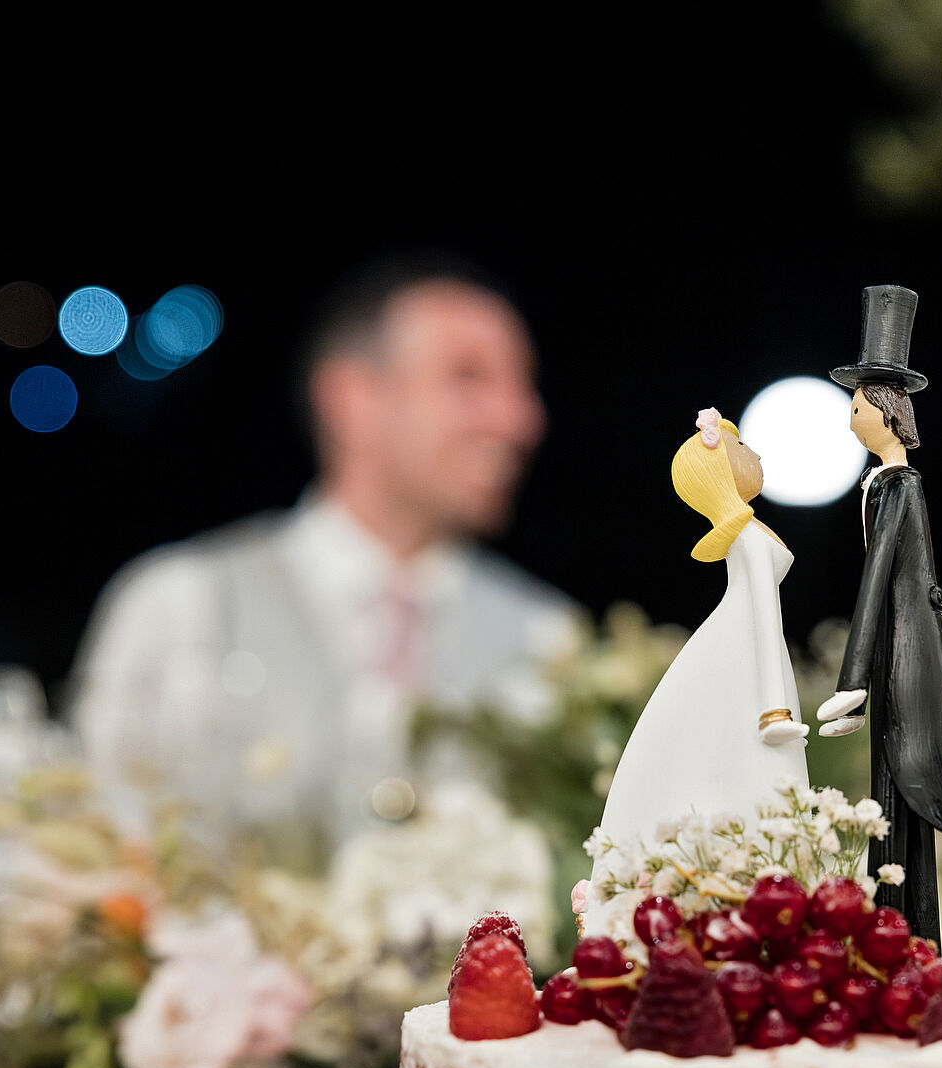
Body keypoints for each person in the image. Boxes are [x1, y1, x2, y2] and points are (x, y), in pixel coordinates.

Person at [72, 252, 578, 837]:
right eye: (469, 377)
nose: (519, 419)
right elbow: (95, 852)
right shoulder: (180, 604)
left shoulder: (550, 641)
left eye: (523, 385)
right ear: (352, 398)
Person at [818, 287, 942, 949]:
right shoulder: (883, 483)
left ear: (883, 412)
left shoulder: (900, 487)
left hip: (906, 661)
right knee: (888, 785)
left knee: (901, 782)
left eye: (856, 406)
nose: (849, 418)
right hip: (898, 654)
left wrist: (855, 679)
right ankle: (890, 932)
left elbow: (878, 584)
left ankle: (906, 935)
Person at [595, 409, 807, 854]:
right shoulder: (748, 537)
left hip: (746, 645)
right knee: (747, 753)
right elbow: (768, 618)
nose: (757, 454)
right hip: (751, 648)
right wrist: (775, 710)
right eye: (743, 449)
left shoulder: (749, 532)